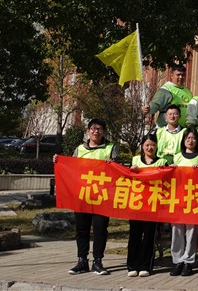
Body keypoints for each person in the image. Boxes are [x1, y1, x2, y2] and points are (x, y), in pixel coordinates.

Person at [57, 118, 120, 276]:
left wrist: (113, 164)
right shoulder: (79, 149)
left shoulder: (111, 148)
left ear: (103, 132)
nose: (96, 131)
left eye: (99, 129)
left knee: (100, 230)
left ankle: (98, 261)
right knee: (82, 230)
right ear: (88, 131)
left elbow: (119, 170)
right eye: (93, 128)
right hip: (83, 196)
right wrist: (58, 161)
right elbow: (70, 168)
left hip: (102, 197)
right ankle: (82, 261)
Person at [126, 133, 168, 277]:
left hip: (153, 204)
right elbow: (127, 177)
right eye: (147, 145)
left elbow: (169, 180)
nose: (150, 148)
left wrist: (170, 168)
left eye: (152, 145)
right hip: (136, 203)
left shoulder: (162, 161)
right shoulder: (135, 160)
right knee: (134, 236)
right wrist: (131, 171)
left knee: (149, 236)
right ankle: (132, 265)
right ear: (142, 146)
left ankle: (145, 266)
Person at [170, 127, 198, 276]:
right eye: (188, 138)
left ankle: (188, 262)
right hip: (178, 199)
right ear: (183, 140)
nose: (190, 141)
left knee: (192, 232)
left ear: (197, 140)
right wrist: (172, 169)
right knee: (177, 231)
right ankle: (177, 261)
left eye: (193, 138)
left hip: (195, 199)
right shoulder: (177, 157)